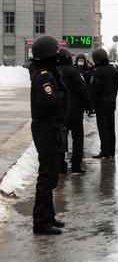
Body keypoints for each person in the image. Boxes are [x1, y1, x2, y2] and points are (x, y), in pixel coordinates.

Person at [29, 35, 70, 235]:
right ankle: (41, 222)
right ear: (47, 54)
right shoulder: (44, 75)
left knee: (51, 177)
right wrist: (63, 95)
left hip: (52, 129)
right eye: (55, 52)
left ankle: (48, 216)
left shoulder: (49, 73)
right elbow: (49, 100)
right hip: (47, 129)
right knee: (46, 178)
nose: (58, 56)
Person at [57, 48, 92, 173]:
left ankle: (61, 165)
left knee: (61, 139)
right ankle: (76, 165)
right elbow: (81, 90)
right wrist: (88, 106)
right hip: (75, 111)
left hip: (60, 112)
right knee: (77, 138)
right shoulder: (73, 71)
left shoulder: (54, 72)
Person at [89, 48, 118, 159]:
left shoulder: (97, 72)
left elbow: (94, 90)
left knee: (103, 128)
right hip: (111, 102)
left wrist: (92, 105)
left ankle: (105, 150)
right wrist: (112, 97)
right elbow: (116, 86)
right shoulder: (113, 70)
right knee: (111, 127)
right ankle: (112, 151)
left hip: (101, 104)